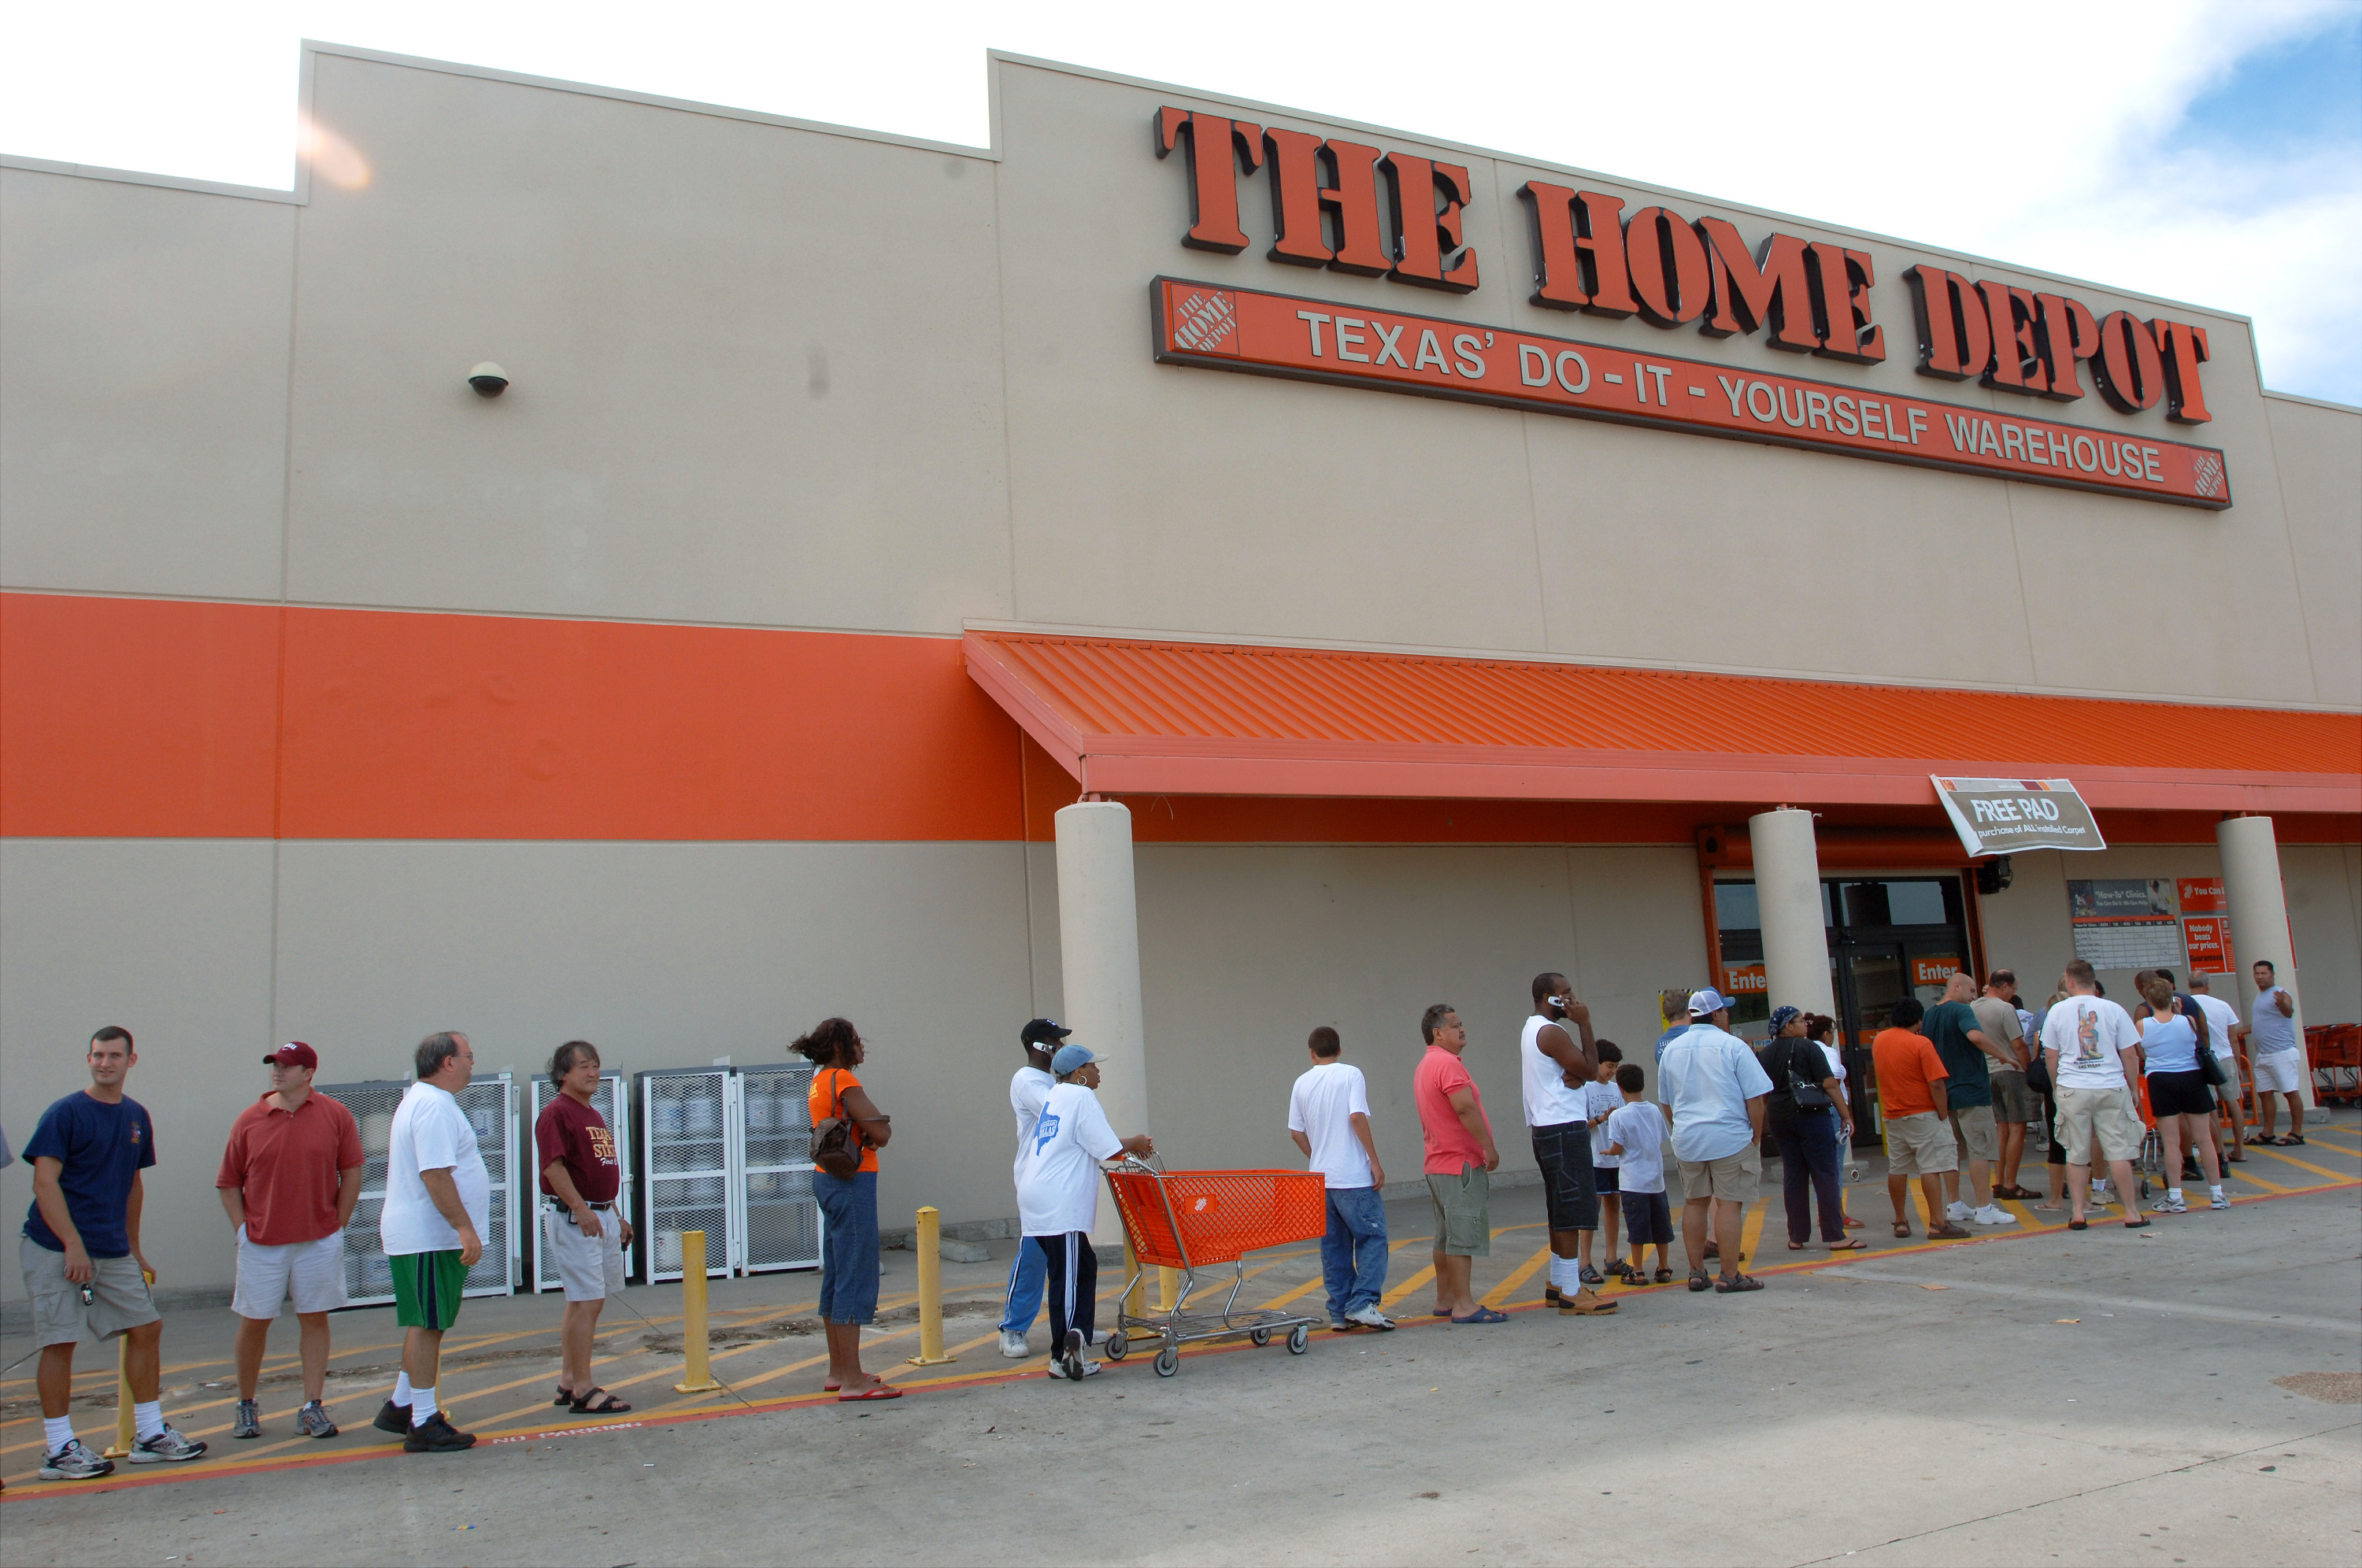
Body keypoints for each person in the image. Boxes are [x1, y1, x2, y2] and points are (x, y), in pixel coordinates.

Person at [22, 1026, 207, 1481]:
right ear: (89, 1059)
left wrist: (134, 1249)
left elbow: (132, 1184)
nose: (105, 1063)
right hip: (54, 1247)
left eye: (114, 1056)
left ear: (131, 1061)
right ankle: (59, 1450)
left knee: (147, 1327)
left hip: (111, 1250)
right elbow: (44, 1183)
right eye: (98, 1055)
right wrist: (72, 1245)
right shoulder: (65, 1113)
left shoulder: (136, 1116)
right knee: (60, 1341)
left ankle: (150, 1436)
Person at [216, 1041, 365, 1440]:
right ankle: (246, 1404)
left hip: (318, 1240)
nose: (277, 1072)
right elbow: (228, 1182)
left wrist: (337, 1225)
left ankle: (312, 1406)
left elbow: (352, 1172)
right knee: (255, 1322)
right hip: (262, 1243)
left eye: (286, 1066)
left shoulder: (335, 1115)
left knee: (314, 1319)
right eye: (275, 1065)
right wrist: (242, 1231)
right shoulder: (250, 1119)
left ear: (308, 1073)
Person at [373, 1031, 488, 1452]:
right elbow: (435, 1174)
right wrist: (464, 1228)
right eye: (468, 1056)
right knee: (428, 1324)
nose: (473, 1063)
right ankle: (423, 1420)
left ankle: (401, 1405)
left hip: (424, 1235)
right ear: (448, 1062)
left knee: (425, 1320)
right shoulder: (434, 1106)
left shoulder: (425, 1101)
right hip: (428, 1236)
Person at [1018, 1043, 1154, 1381]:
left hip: (1038, 1197)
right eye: (1093, 1066)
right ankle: (1063, 1356)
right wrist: (1137, 1142)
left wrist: (1127, 1147)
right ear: (1079, 1073)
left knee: (1083, 1265)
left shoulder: (1056, 1096)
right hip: (1058, 1202)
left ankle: (1078, 1332)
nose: (1098, 1072)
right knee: (1067, 1277)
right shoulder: (1081, 1097)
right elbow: (1108, 1149)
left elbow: (1091, 1144)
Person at [798, 1016, 898, 1400]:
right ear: (840, 1046)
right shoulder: (843, 1080)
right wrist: (874, 1135)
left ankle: (838, 1370)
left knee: (838, 1271)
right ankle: (854, 1381)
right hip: (853, 1181)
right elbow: (882, 1133)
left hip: (827, 1177)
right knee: (856, 1273)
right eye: (856, 1040)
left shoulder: (819, 1080)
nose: (862, 1046)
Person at [535, 1040, 634, 1415]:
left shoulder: (591, 1113)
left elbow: (596, 1170)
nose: (593, 1073)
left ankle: (568, 1380)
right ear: (563, 1074)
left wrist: (615, 1214)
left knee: (583, 1301)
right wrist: (581, 1208)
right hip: (576, 1219)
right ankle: (583, 1388)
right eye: (584, 1067)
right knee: (587, 1300)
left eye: (595, 1065)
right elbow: (553, 1167)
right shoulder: (557, 1113)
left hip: (599, 1215)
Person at [1658, 989, 1772, 1293]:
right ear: (1716, 1014)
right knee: (1729, 1204)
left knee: (1695, 1203)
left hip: (1688, 1138)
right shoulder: (1733, 1046)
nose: (1727, 1014)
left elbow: (1666, 1102)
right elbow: (1755, 1099)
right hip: (1729, 1136)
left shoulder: (1672, 1050)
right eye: (1725, 1010)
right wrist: (1756, 1135)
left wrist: (1680, 1127)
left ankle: (1697, 1272)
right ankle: (1730, 1274)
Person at [1519, 974, 1613, 1316]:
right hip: (1563, 1127)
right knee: (1573, 1208)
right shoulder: (1552, 1032)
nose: (1573, 999)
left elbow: (1581, 1071)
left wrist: (1580, 1071)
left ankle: (1559, 1281)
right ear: (1549, 997)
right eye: (1566, 993)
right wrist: (1584, 1024)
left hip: (1546, 1127)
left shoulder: (1532, 1028)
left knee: (1559, 1207)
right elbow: (1590, 1069)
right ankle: (1572, 1291)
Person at [1287, 1026, 1393, 1332]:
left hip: (1322, 1179)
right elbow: (1356, 1116)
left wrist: (1317, 1155)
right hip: (1353, 1177)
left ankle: (1339, 1311)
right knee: (1372, 1238)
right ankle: (1363, 1304)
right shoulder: (1351, 1074)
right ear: (1340, 1050)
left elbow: (1296, 1132)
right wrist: (1374, 1161)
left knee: (1334, 1247)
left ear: (1312, 1053)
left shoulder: (1301, 1082)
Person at [1412, 1004, 1505, 1323]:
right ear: (1437, 1033)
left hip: (1438, 1163)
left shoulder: (1427, 1064)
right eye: (1455, 1026)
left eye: (1462, 1024)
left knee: (1446, 1236)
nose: (1462, 1029)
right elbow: (1464, 1107)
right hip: (1459, 1164)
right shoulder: (1447, 1064)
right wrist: (1488, 1147)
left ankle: (1446, 1298)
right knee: (1462, 1237)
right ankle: (1464, 1305)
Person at [2042, 961, 2149, 1230]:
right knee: (2119, 1152)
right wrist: (2133, 1088)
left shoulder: (2056, 1011)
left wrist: (2056, 1088)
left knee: (2076, 1153)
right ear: (2093, 981)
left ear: (2070, 981)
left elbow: (2051, 1055)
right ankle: (2131, 1213)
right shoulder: (2114, 1009)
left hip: (2073, 1087)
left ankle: (2078, 1213)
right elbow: (2129, 1054)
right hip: (2110, 1085)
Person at [1920, 972, 2017, 1227]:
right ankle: (1984, 1207)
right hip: (1971, 1090)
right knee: (1980, 1150)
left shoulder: (1930, 1015)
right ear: (1957, 987)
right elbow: (1975, 1036)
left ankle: (1955, 1205)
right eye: (1972, 990)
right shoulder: (1962, 1011)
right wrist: (2004, 1056)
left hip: (1944, 1092)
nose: (1974, 997)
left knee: (1951, 1152)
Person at [1761, 1006, 1857, 1252]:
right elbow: (1830, 1084)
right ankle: (1834, 1235)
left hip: (1779, 1117)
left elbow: (1761, 1091)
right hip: (1811, 1115)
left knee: (1793, 1175)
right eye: (1801, 1021)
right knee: (1825, 1174)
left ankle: (1797, 1236)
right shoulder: (1808, 1047)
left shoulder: (1766, 1054)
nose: (1806, 1025)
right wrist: (1845, 1115)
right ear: (1788, 1026)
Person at [1871, 999, 1968, 1240]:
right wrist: (1943, 1113)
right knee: (1931, 1167)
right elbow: (1936, 1083)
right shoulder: (1921, 1043)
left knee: (1898, 1168)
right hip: (1923, 1114)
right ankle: (1937, 1222)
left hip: (1893, 1114)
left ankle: (1900, 1220)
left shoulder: (1880, 1040)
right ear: (1918, 1020)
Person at [999, 1018, 1066, 1358]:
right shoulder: (1027, 1080)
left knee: (1070, 1257)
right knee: (1034, 1256)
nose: (1061, 1047)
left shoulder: (1054, 1082)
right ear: (1040, 1046)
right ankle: (1013, 1329)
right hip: (1035, 1181)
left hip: (1060, 1180)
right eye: (1056, 1041)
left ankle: (1074, 1326)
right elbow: (1057, 1112)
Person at [2135, 977, 2226, 1214]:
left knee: (2171, 1141)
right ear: (2173, 999)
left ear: (2149, 1001)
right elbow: (2197, 1039)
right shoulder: (2188, 1021)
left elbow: (2141, 1053)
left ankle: (2175, 1196)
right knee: (2204, 1138)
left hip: (2160, 1079)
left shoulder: (2143, 1025)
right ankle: (2217, 1193)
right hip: (2192, 1077)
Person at [1600, 1063, 1672, 1285]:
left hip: (1633, 1182)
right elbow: (1660, 1138)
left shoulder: (1618, 1116)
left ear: (1620, 1088)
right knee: (1661, 1226)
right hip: (1656, 1180)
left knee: (1637, 1227)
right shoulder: (1654, 1110)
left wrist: (1609, 1152)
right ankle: (1663, 1267)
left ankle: (1638, 1271)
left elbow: (1618, 1147)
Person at [1973, 971, 2040, 1202]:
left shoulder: (1974, 1007)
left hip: (1988, 1071)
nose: (2014, 993)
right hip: (2011, 1070)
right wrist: (2029, 1069)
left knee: (2001, 1128)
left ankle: (1999, 1181)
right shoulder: (2005, 1009)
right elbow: (2018, 1044)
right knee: (2017, 1127)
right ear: (2004, 986)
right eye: (2013, 988)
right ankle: (2011, 1184)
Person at [2230, 959, 2305, 1146]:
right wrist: (2234, 1031)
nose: (2260, 977)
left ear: (2272, 974)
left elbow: (2288, 1012)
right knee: (2264, 1093)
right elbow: (2259, 1025)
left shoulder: (2281, 994)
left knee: (2290, 1092)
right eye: (2257, 974)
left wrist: (2282, 1003)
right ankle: (2268, 1133)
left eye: (2264, 973)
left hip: (2281, 1052)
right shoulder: (2260, 997)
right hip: (2263, 1054)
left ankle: (2296, 1133)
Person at [1805, 1015, 1864, 1229]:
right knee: (1834, 1164)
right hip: (1831, 1110)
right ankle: (1835, 1213)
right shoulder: (1828, 1052)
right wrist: (1845, 1113)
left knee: (1820, 1164)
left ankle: (1825, 1212)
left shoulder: (1805, 1050)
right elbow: (1832, 1080)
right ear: (1826, 1034)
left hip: (1810, 1111)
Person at [2185, 973, 2248, 1163]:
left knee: (2211, 1108)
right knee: (2233, 1103)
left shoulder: (2187, 1005)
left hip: (2203, 1060)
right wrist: (2238, 1063)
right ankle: (2239, 1149)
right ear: (2207, 985)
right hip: (2226, 1057)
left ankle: (2218, 1152)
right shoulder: (2223, 1005)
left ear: (2189, 984)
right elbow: (2233, 1038)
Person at [1583, 1042, 1626, 1281]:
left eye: (1616, 1067)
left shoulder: (1617, 1090)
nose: (1613, 1071)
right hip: (1594, 1158)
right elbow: (1580, 1125)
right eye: (1610, 1066)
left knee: (1613, 1206)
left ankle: (1611, 1258)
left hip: (1615, 1158)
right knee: (1591, 1210)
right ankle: (1585, 1262)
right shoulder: (1585, 1088)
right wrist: (1601, 1119)